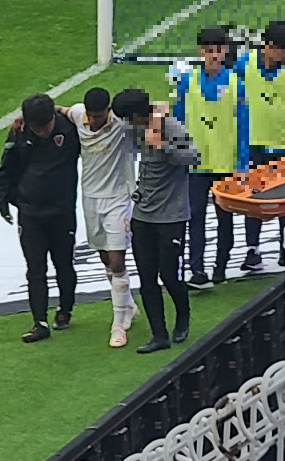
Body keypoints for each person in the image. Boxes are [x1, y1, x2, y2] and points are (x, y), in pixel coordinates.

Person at [112, 87, 198, 354]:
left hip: (171, 216)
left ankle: (182, 318)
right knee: (147, 277)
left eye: (129, 118)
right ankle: (159, 335)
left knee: (169, 275)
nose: (127, 124)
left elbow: (194, 156)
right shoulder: (137, 127)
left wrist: (162, 145)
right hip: (143, 215)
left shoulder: (171, 127)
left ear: (137, 115)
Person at [0, 93, 80, 344]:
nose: (42, 132)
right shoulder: (20, 132)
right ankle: (39, 322)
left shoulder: (70, 128)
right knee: (35, 268)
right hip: (30, 213)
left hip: (61, 212)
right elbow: (7, 167)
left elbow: (97, 120)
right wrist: (3, 200)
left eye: (45, 126)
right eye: (37, 128)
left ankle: (65, 310)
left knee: (64, 264)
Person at [62, 87, 140, 349]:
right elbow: (58, 109)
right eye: (91, 116)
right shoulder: (78, 115)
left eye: (99, 116)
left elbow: (154, 110)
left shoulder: (122, 123)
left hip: (118, 198)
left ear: (109, 111)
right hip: (90, 199)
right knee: (105, 257)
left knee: (117, 260)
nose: (93, 121)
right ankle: (127, 304)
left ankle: (118, 324)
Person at [174, 27, 249, 289]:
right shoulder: (187, 82)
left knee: (224, 218)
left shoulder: (236, 84)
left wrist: (242, 162)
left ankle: (220, 267)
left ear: (225, 52)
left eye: (217, 50)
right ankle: (197, 269)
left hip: (225, 162)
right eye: (208, 51)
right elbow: (178, 121)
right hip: (195, 164)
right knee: (194, 217)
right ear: (200, 52)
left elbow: (243, 126)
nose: (213, 56)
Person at [232, 20, 285, 269]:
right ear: (268, 46)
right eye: (282, 50)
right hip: (254, 144)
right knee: (253, 199)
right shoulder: (244, 65)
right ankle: (252, 250)